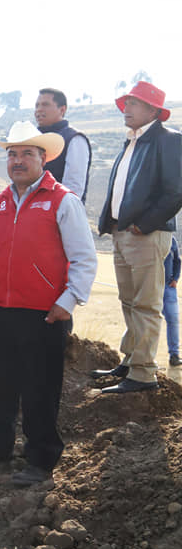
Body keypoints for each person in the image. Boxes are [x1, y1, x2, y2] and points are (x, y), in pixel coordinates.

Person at [0, 121, 97, 487]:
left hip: (45, 314)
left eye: (27, 154)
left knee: (40, 386)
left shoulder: (64, 201)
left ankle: (41, 459)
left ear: (44, 159)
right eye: (12, 154)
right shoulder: (0, 203)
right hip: (2, 310)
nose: (18, 161)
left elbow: (84, 258)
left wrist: (68, 301)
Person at [91, 81, 182, 392]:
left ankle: (143, 374)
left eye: (134, 103)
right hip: (122, 232)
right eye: (126, 102)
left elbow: (175, 192)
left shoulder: (168, 140)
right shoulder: (131, 141)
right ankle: (130, 362)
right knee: (129, 301)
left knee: (145, 304)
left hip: (147, 234)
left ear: (153, 110)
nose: (126, 109)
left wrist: (144, 225)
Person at [34, 88, 92, 201]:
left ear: (62, 110)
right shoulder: (33, 139)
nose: (39, 110)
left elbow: (73, 187)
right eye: (37, 105)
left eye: (45, 105)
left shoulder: (74, 139)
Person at [164, 236, 180, 368]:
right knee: (150, 321)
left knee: (173, 320)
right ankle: (146, 358)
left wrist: (175, 278)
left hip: (168, 287)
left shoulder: (171, 239)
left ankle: (174, 355)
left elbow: (177, 261)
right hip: (151, 287)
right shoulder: (147, 234)